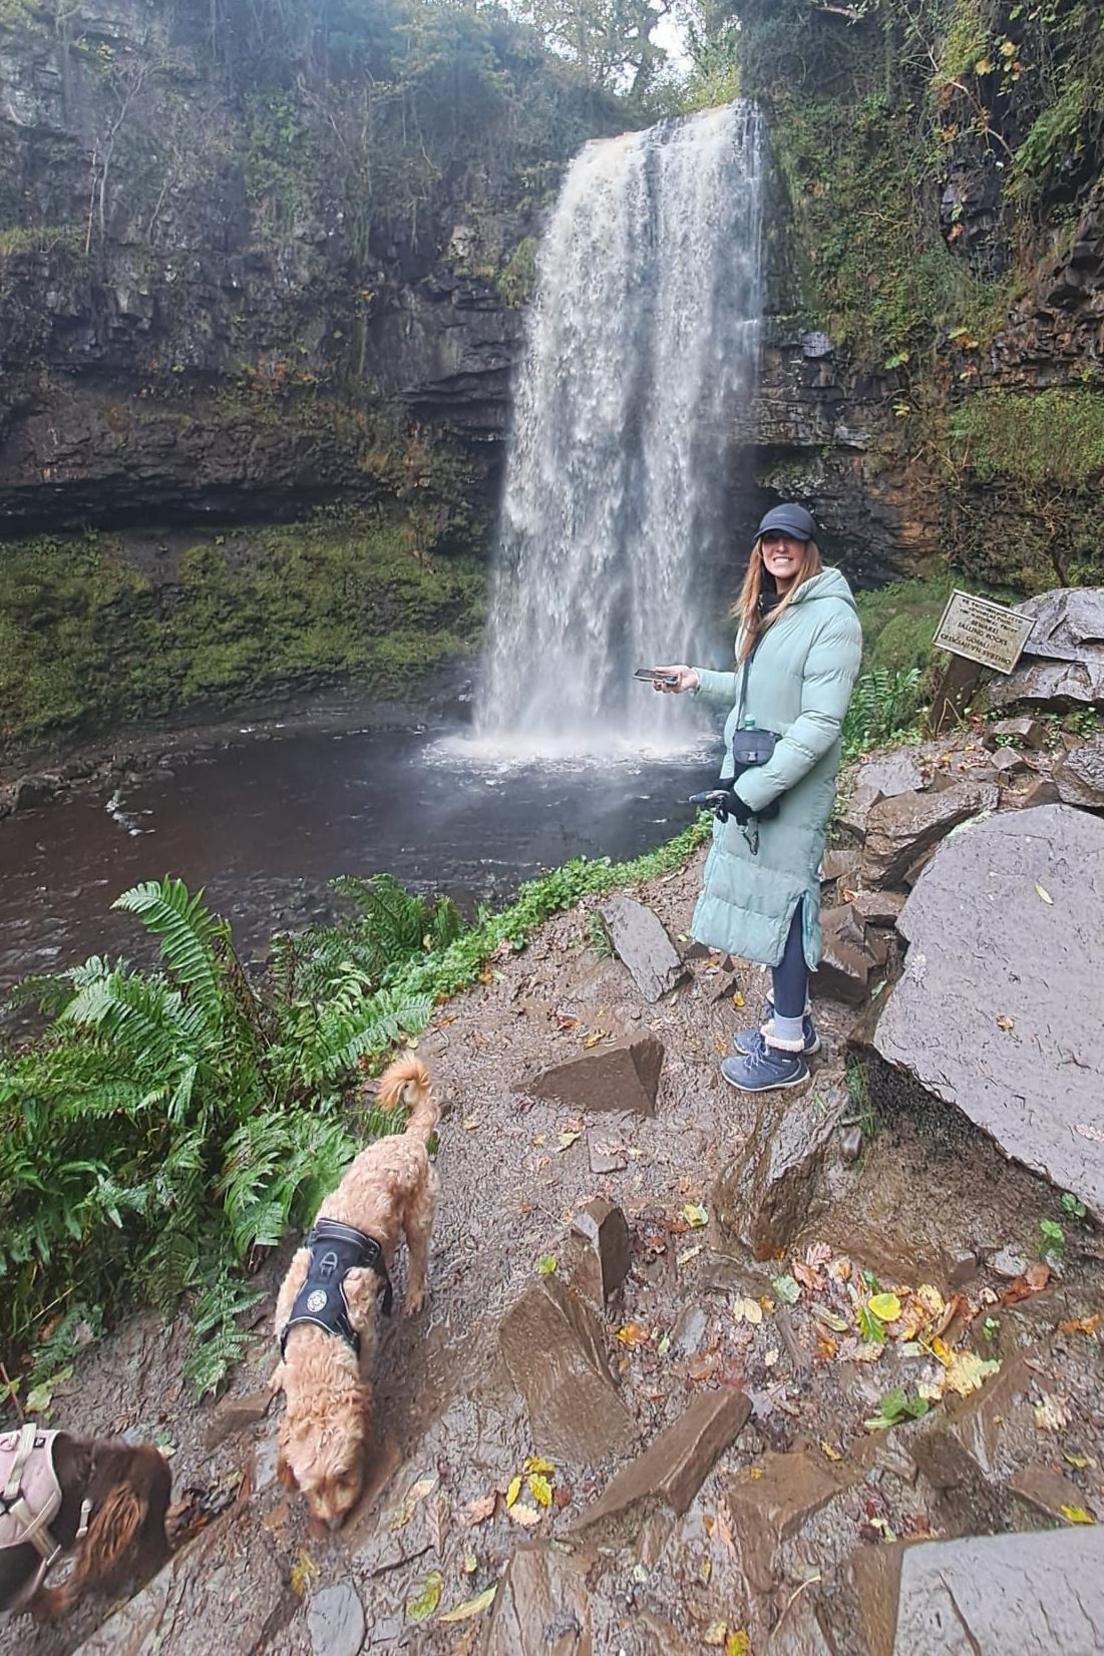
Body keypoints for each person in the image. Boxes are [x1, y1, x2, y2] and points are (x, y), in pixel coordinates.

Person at [653, 503, 862, 1092]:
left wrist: (753, 790)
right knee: (771, 898)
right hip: (756, 775)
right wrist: (698, 680)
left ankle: (786, 1049)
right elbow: (754, 693)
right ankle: (790, 1018)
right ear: (760, 549)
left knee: (788, 902)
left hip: (788, 788)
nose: (780, 548)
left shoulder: (832, 618)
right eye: (771, 539)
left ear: (809, 548)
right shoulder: (770, 609)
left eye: (791, 540)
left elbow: (820, 724)